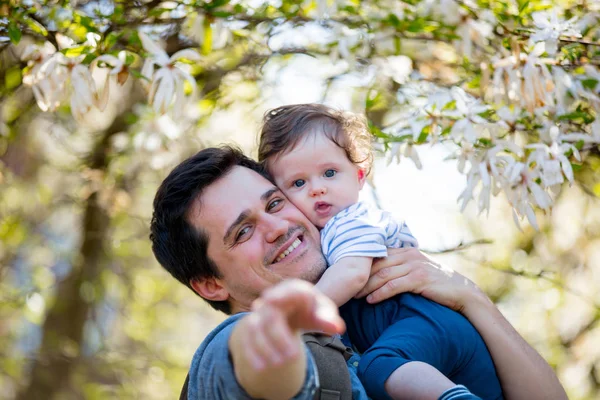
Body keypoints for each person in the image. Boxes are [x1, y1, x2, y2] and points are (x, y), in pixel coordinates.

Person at [149, 145, 567, 400]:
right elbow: (255, 372)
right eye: (243, 231)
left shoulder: (378, 300)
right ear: (210, 283)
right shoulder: (232, 352)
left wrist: (473, 300)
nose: (277, 227)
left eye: (275, 203)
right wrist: (277, 330)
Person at [257, 104, 500, 399]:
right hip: (415, 331)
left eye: (330, 173)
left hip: (417, 320)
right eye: (298, 183)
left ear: (359, 176)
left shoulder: (351, 221)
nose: (317, 188)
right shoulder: (329, 233)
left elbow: (352, 273)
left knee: (376, 368)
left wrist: (295, 317)